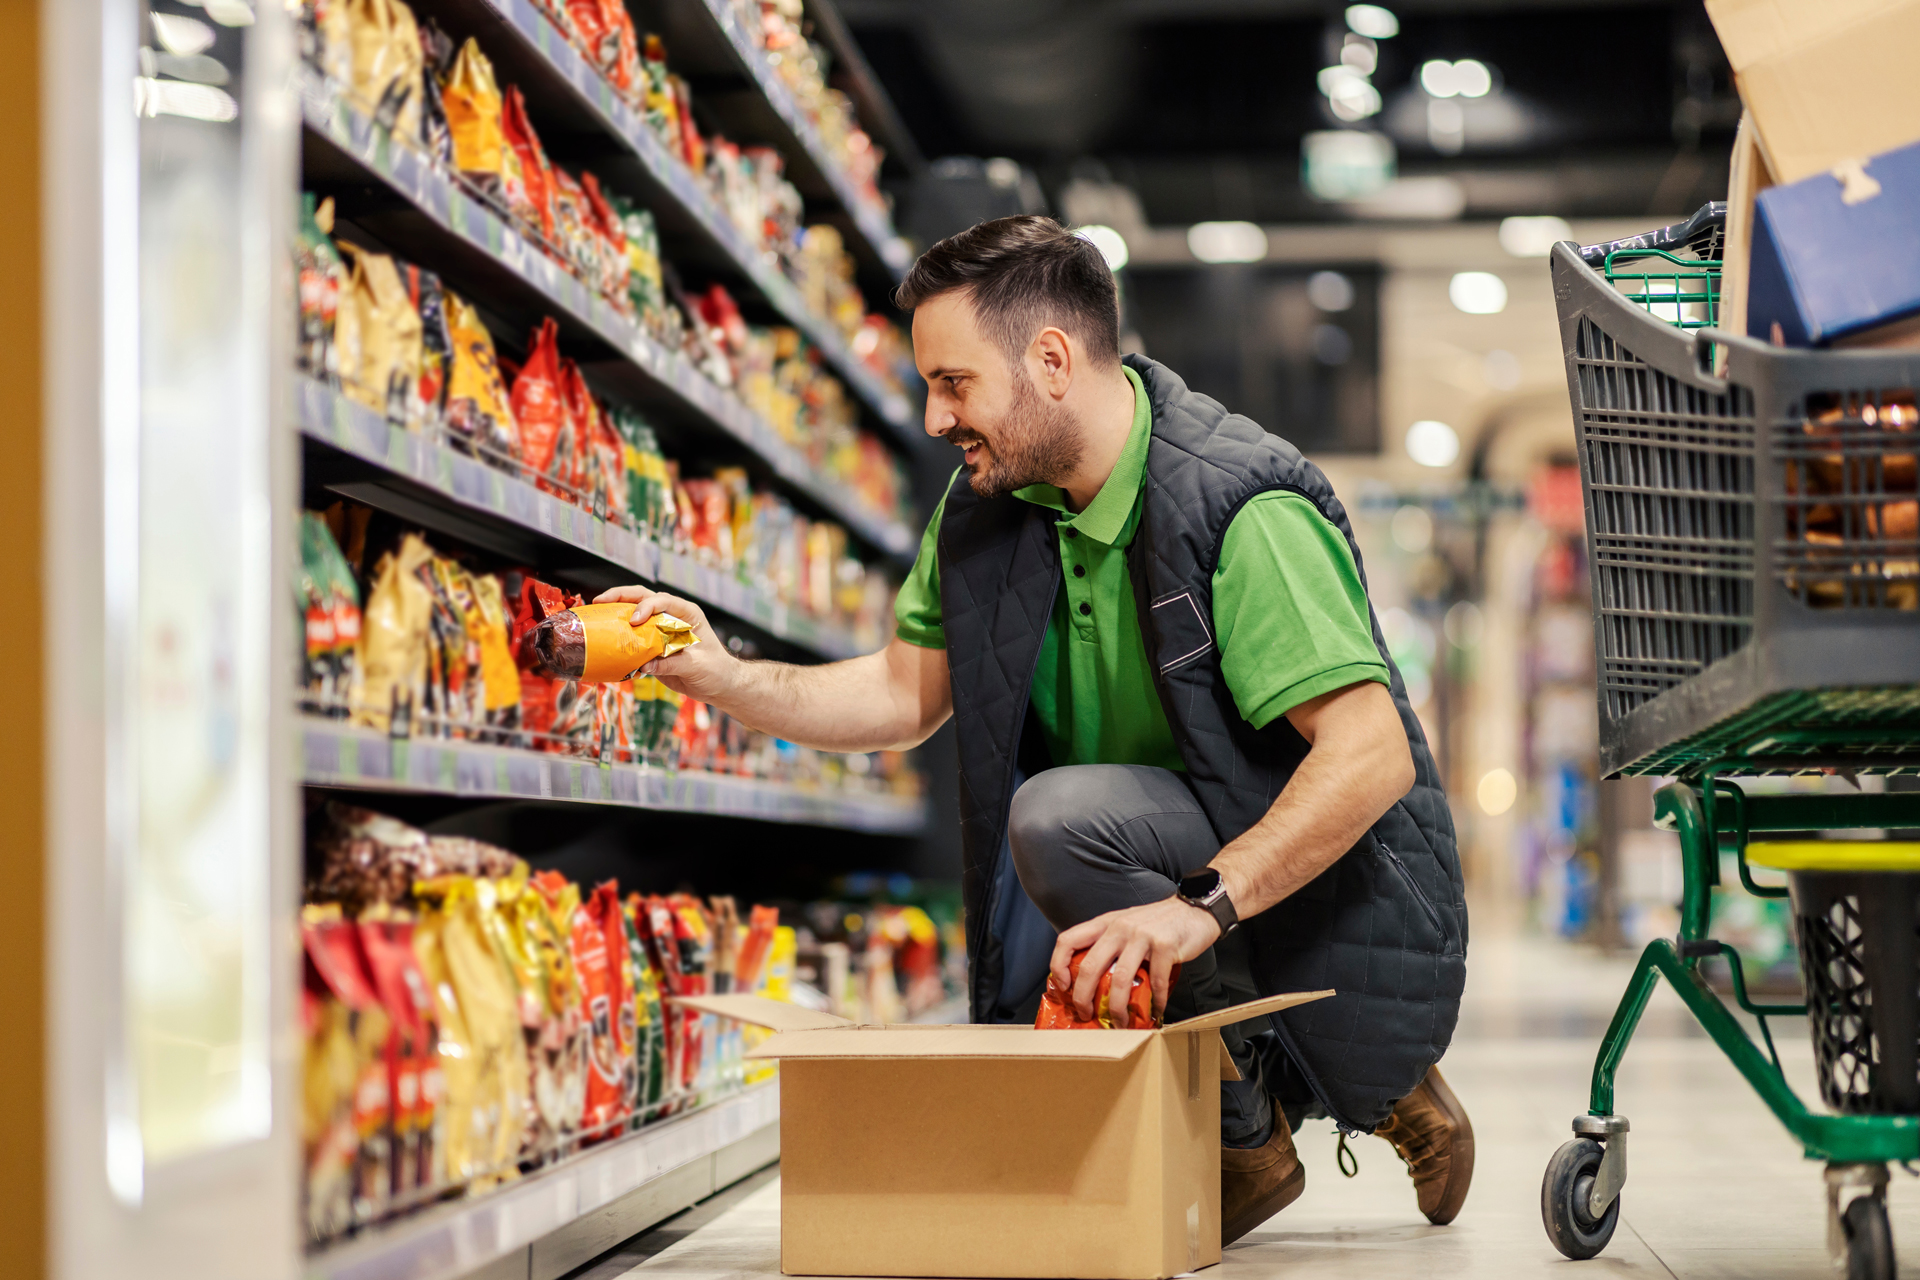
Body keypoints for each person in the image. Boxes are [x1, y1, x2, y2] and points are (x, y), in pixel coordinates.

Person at [599, 216, 1471, 1243]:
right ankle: (1266, 1123)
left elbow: (1369, 754)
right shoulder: (990, 511)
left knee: (1062, 820)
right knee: (1059, 840)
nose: (932, 416)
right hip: (1144, 841)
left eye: (954, 382)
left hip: (1307, 857)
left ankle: (1358, 1085)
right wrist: (721, 672)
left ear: (1051, 360)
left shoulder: (1240, 504)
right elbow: (898, 692)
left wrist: (1202, 904)